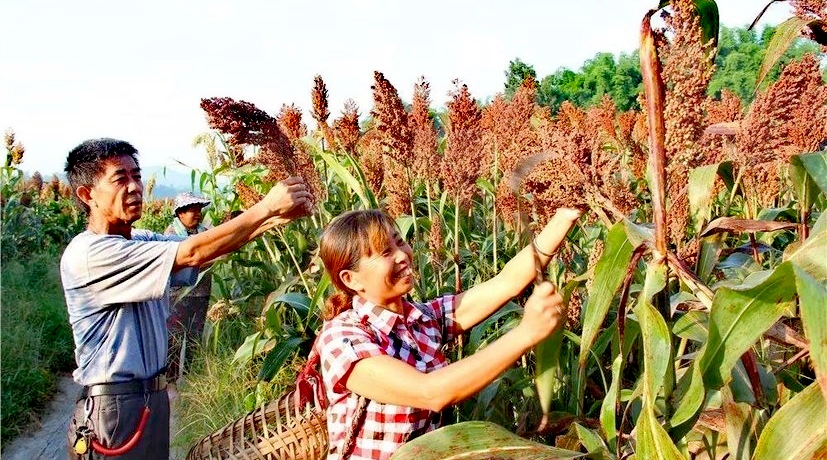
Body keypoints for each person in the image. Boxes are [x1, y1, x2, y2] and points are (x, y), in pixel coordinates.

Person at [61, 138, 312, 459]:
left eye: (136, 175)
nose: (135, 186)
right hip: (115, 405)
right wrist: (264, 207)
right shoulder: (90, 253)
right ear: (87, 195)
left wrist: (273, 220)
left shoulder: (140, 239)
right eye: (120, 179)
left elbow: (205, 253)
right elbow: (192, 251)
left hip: (151, 398)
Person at [316, 207, 582, 460]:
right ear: (351, 279)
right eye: (386, 252)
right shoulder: (342, 338)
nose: (402, 255)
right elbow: (431, 392)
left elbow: (507, 281)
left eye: (400, 242)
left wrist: (564, 217)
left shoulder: (421, 319)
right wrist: (526, 333)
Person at [164, 192, 213, 386]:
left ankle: (191, 380)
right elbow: (184, 261)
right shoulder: (170, 234)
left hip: (200, 294)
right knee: (174, 337)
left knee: (195, 337)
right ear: (180, 213)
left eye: (199, 209)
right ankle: (171, 381)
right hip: (177, 296)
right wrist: (210, 258)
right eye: (193, 210)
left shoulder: (205, 232)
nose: (197, 214)